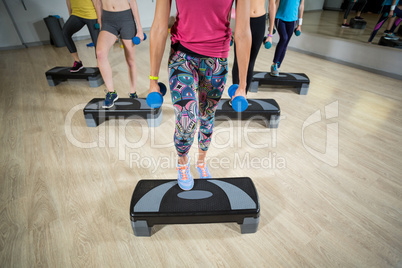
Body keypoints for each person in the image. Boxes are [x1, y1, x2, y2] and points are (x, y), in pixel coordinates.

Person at [148, 0, 252, 190]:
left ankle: (202, 162)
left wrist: (243, 85)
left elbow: (243, 32)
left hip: (216, 58)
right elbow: (159, 27)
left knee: (207, 115)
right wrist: (153, 80)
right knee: (186, 118)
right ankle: (183, 161)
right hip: (182, 55)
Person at [96, 0, 145, 108]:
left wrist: (139, 29)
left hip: (126, 19)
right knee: (100, 54)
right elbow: (97, 2)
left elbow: (132, 2)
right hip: (108, 21)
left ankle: (133, 93)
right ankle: (111, 92)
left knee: (130, 60)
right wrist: (100, 21)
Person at [232, 0, 276, 93]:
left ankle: (244, 94)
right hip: (242, 19)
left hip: (259, 21)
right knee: (238, 61)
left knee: (251, 61)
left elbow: (272, 6)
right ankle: (234, 95)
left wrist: (270, 34)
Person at [62, 0, 101, 72]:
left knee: (97, 41)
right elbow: (68, 1)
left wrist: (99, 18)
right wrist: (70, 14)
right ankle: (77, 62)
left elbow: (96, 2)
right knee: (65, 33)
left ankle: (100, 64)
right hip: (76, 14)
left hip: (91, 14)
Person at [270, 0, 304, 77]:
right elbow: (276, 4)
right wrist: (271, 24)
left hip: (293, 20)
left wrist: (299, 25)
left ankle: (277, 67)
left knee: (285, 44)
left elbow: (301, 6)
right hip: (279, 18)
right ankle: (274, 64)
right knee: (284, 38)